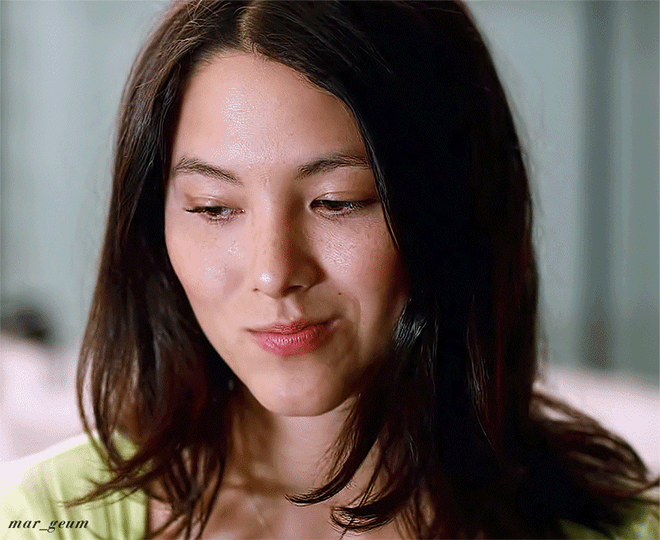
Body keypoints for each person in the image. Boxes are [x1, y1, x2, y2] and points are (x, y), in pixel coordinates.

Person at [1, 1, 658, 539]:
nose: (273, 273)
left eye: (338, 202)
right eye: (214, 208)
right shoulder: (45, 520)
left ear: (453, 206)